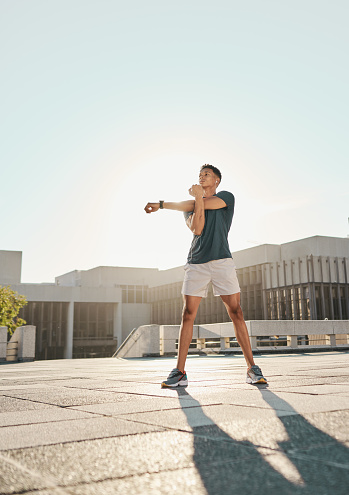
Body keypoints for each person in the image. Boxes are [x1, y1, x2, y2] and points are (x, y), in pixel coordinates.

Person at [144, 164, 267, 387]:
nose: (202, 177)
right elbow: (197, 228)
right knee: (188, 314)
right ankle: (180, 371)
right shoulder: (189, 207)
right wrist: (185, 201)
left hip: (222, 261)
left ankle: (252, 368)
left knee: (236, 311)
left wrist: (168, 203)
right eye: (200, 175)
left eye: (207, 174)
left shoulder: (226, 197)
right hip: (196, 263)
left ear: (217, 180)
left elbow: (205, 204)